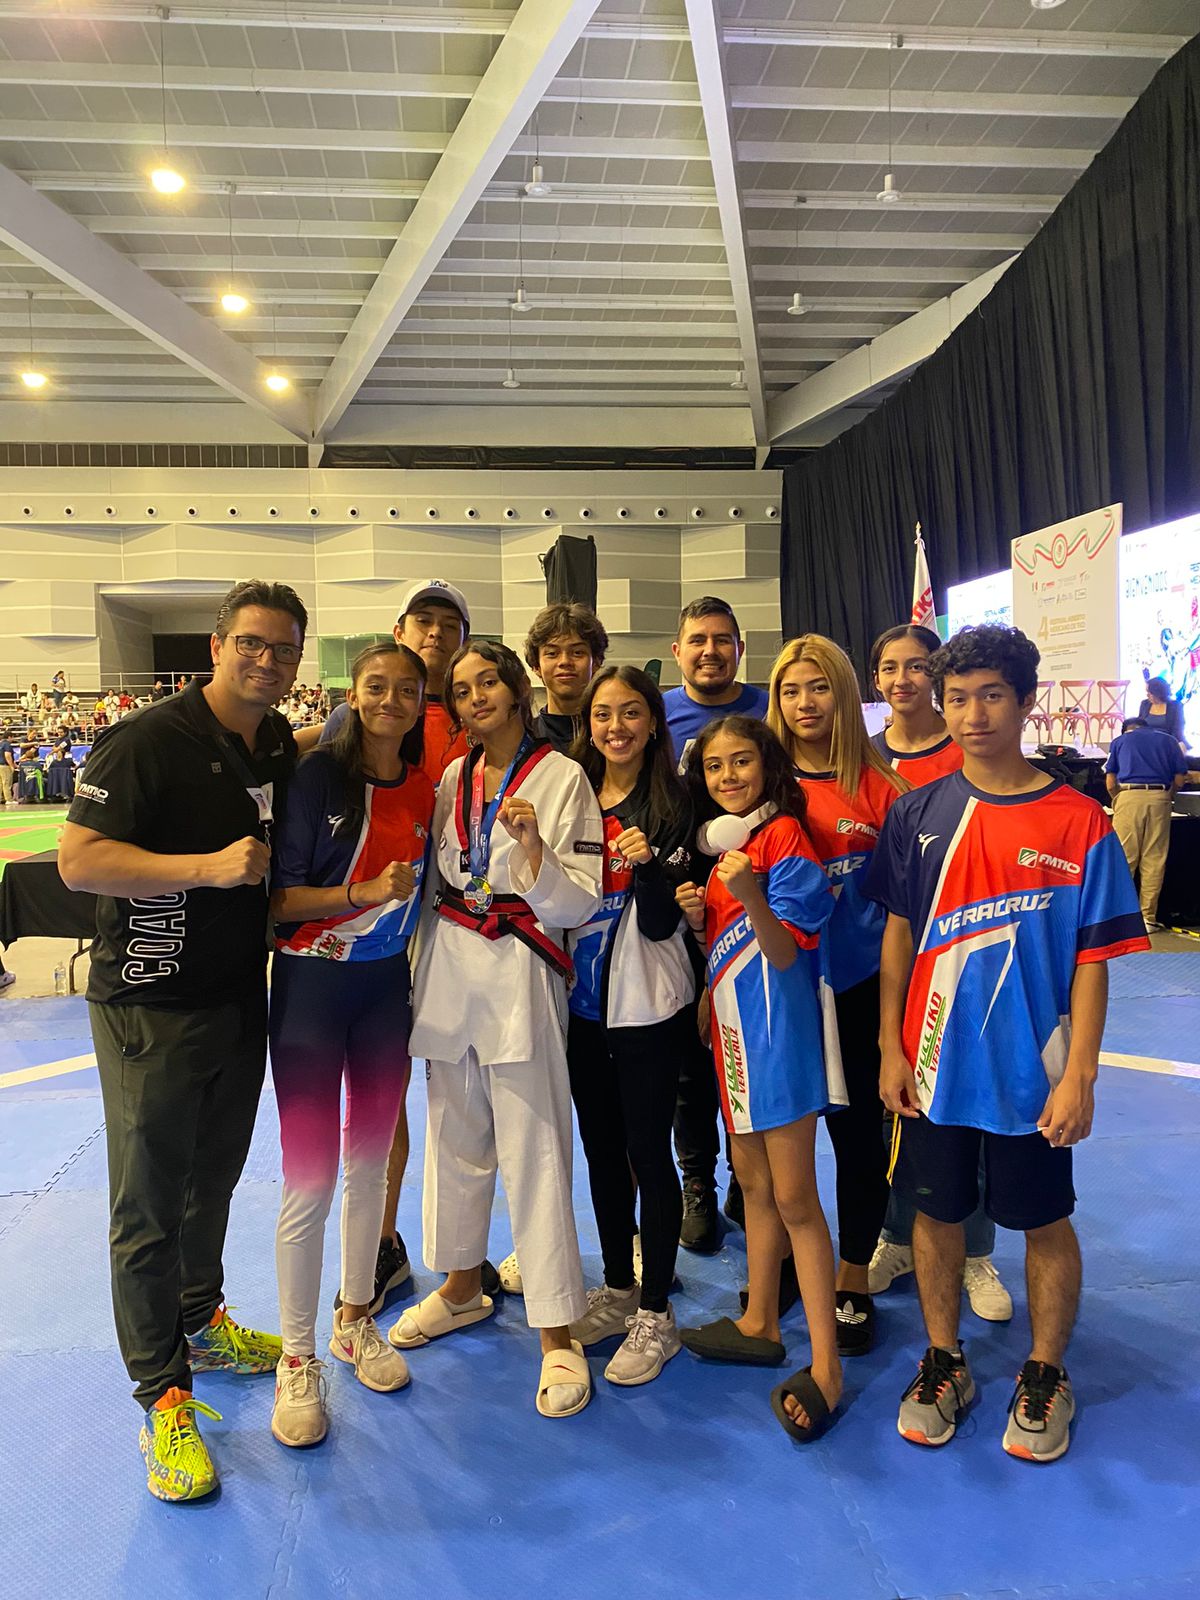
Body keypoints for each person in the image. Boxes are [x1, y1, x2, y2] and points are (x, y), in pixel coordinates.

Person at [867, 624, 1149, 1462]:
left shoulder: (1080, 822)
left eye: (991, 695)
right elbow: (897, 938)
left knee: (1043, 1219)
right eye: (957, 698)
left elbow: (1093, 960)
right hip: (933, 1066)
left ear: (1025, 703)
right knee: (935, 1212)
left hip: (1034, 1074)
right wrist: (890, 1046)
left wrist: (1081, 1075)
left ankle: (1045, 1371)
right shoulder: (916, 812)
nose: (972, 713)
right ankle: (943, 1360)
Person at [58, 579, 305, 1503]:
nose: (268, 661)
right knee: (149, 1206)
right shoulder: (146, 739)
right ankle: (161, 1397)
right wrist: (206, 869)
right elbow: (80, 861)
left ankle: (201, 1323)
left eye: (284, 649)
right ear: (216, 646)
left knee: (216, 1179)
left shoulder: (273, 741)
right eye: (252, 643)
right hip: (149, 1007)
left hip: (238, 998)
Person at [392, 641, 603, 1418]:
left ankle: (557, 1328)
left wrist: (534, 851)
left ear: (517, 691)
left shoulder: (562, 776)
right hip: (451, 969)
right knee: (454, 1138)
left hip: (520, 968)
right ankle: (460, 1285)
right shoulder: (453, 777)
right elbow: (436, 884)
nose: (477, 696)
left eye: (489, 683)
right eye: (462, 688)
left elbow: (581, 900)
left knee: (535, 1149)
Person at [267, 642, 435, 1448]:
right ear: (353, 694)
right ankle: (296, 1356)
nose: (390, 701)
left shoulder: (429, 787)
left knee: (371, 1168)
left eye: (406, 689)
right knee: (310, 1180)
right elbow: (279, 902)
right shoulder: (315, 778)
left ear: (422, 702)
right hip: (310, 988)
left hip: (383, 993)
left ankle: (354, 1317)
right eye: (376, 686)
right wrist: (359, 891)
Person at [674, 715, 846, 1441]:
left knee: (796, 1198)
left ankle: (828, 1368)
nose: (728, 777)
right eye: (715, 767)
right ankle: (760, 1321)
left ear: (767, 766)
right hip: (736, 1039)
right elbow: (731, 951)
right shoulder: (730, 849)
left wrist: (748, 896)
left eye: (741, 762)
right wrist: (701, 920)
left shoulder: (784, 839)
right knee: (752, 1186)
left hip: (781, 1038)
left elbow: (783, 953)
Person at [308, 578, 472, 1312]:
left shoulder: (473, 707)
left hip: (462, 923)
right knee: (385, 1093)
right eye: (423, 621)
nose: (435, 634)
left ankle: (465, 1250)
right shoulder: (361, 712)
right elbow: (308, 759)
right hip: (376, 926)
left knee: (466, 1092)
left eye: (449, 624)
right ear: (399, 630)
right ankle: (381, 1242)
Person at [867, 623, 1012, 1324]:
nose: (904, 680)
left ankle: (976, 1252)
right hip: (888, 957)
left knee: (971, 1109)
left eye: (918, 666)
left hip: (971, 963)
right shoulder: (861, 757)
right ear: (875, 679)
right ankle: (898, 1236)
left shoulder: (971, 750)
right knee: (901, 1114)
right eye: (890, 667)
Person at [766, 634, 906, 1358]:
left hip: (854, 989)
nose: (805, 703)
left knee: (856, 1141)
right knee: (778, 1142)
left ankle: (853, 1276)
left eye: (819, 687)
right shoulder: (758, 783)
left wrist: (891, 1017)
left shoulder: (883, 790)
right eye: (791, 690)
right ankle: (791, 1261)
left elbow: (902, 916)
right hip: (775, 991)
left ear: (845, 696)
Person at [562, 665, 696, 1386]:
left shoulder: (674, 801)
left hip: (646, 1008)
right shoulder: (571, 793)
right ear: (588, 724)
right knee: (602, 1152)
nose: (616, 727)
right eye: (603, 714)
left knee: (649, 1151)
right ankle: (618, 1288)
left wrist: (646, 867)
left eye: (631, 713)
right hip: (580, 1007)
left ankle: (655, 1312)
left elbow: (664, 921)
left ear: (652, 722)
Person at [663, 596, 767, 1251]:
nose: (710, 651)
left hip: (756, 904)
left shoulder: (769, 708)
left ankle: (745, 1177)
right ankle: (696, 1181)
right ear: (678, 651)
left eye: (722, 639)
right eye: (698, 640)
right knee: (690, 1058)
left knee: (750, 1048)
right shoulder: (659, 714)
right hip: (683, 906)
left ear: (739, 648)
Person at [1105, 716, 1188, 932]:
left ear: (1127, 729)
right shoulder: (1169, 741)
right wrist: (1168, 796)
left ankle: (1119, 917)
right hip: (1159, 797)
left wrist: (1118, 800)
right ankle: (1147, 918)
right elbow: (1180, 778)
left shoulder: (1120, 741)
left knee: (1124, 859)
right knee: (1155, 858)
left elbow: (1110, 782)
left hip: (1129, 796)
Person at [524, 600, 609, 753]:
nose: (565, 662)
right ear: (536, 666)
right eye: (552, 653)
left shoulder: (611, 735)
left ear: (596, 662)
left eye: (577, 652)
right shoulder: (525, 739)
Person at [1138, 676, 1186, 746]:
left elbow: (1177, 730)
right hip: (1146, 740)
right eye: (1147, 692)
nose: (1147, 695)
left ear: (1158, 693)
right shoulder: (1145, 704)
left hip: (1167, 742)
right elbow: (1139, 724)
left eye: (1150, 692)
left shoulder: (1175, 706)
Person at [0, 726, 14, 807]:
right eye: (12, 737)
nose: (12, 739)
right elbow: (7, 755)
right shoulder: (7, 744)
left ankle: (1, 798)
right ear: (9, 737)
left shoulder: (0, 743)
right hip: (5, 766)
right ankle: (8, 799)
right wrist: (11, 765)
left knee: (0, 783)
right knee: (7, 783)